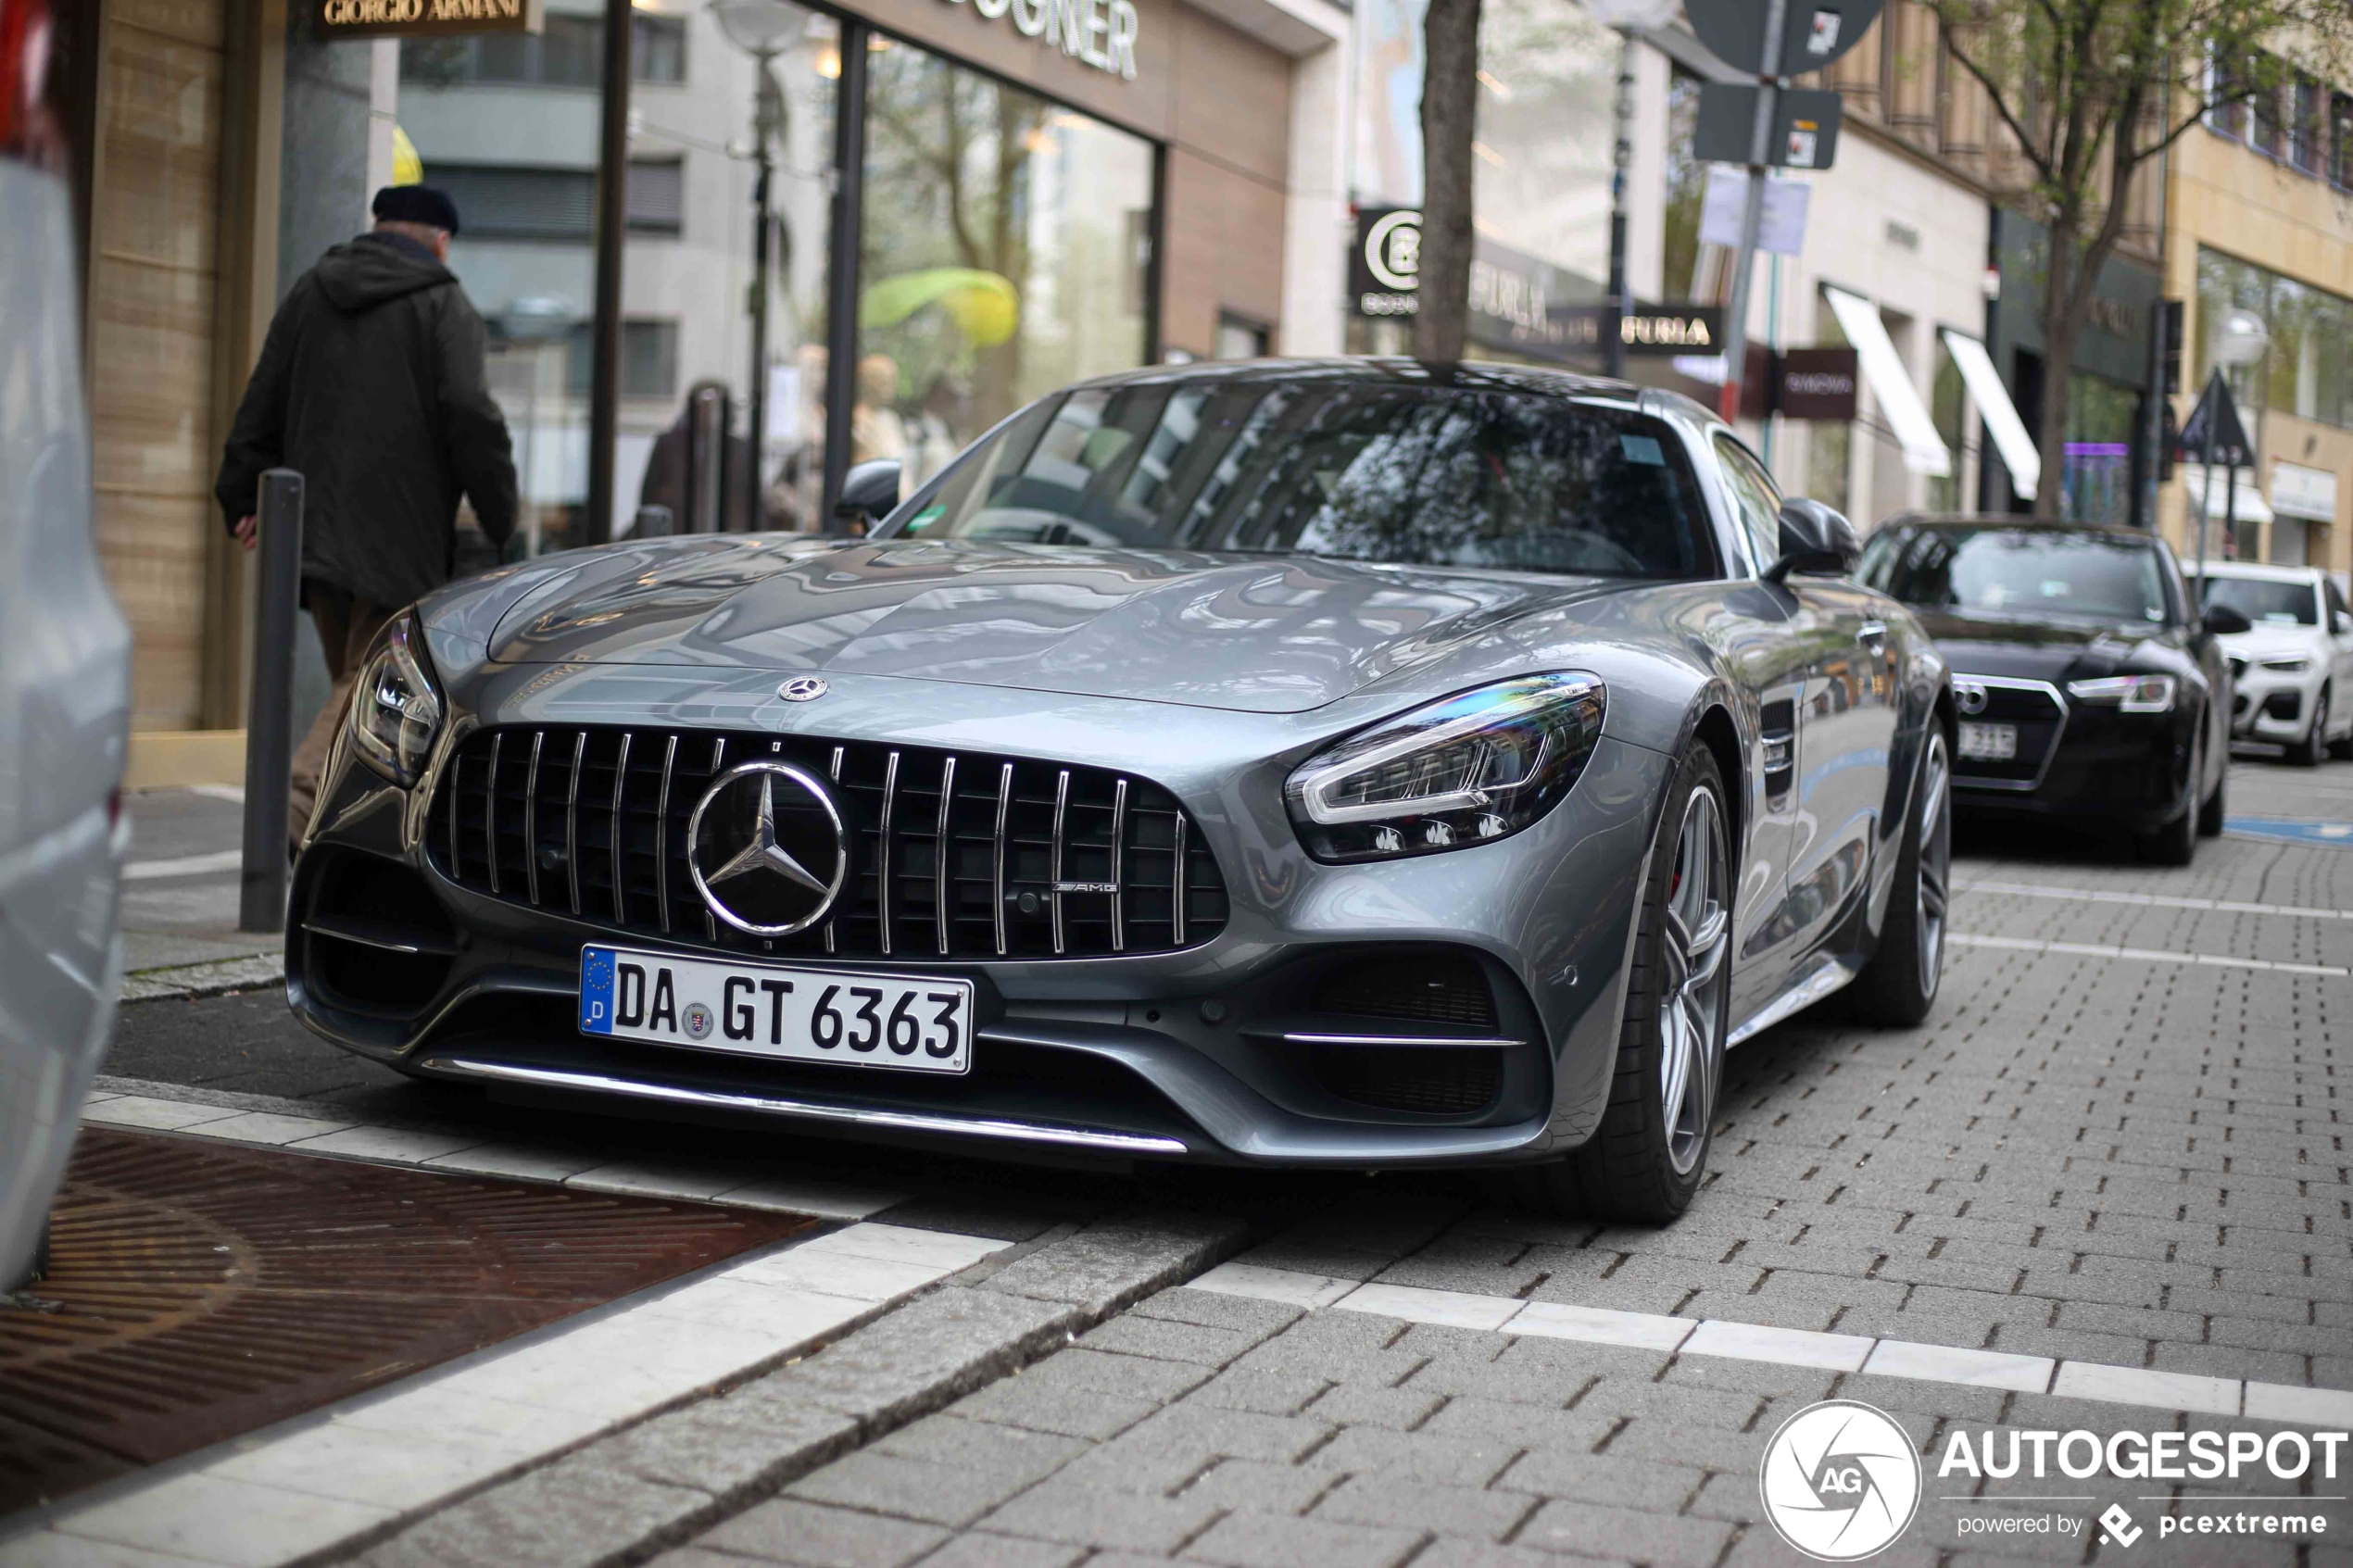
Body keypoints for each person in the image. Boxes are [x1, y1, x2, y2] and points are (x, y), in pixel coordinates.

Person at [215, 184, 517, 853]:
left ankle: (336, 838)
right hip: (398, 534)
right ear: (440, 241)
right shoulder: (445, 304)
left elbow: (263, 394)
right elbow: (472, 415)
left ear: (379, 226)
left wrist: (242, 495)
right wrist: (501, 514)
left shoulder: (312, 289)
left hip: (314, 531)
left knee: (362, 684)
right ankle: (295, 813)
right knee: (367, 686)